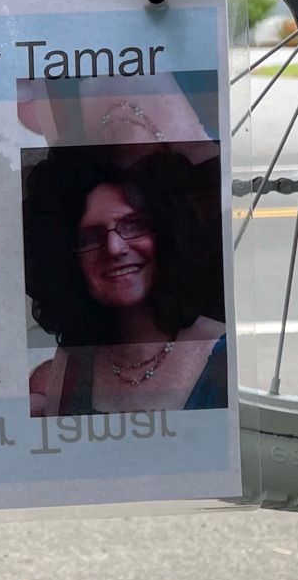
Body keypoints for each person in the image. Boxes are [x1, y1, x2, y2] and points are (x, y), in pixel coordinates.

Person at [24, 147, 227, 416]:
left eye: (133, 225)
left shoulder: (222, 352)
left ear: (167, 235)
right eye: (91, 237)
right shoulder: (75, 360)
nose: (114, 247)